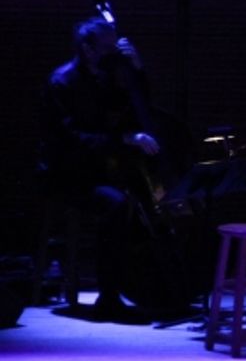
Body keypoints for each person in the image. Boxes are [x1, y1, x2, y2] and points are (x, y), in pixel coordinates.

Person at [37, 17, 162, 322]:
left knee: (134, 199)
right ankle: (108, 298)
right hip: (67, 174)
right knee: (117, 205)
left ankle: (139, 285)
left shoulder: (102, 78)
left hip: (96, 170)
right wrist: (124, 140)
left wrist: (138, 67)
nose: (113, 53)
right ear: (87, 48)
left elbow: (135, 105)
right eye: (108, 47)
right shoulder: (62, 82)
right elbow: (72, 140)